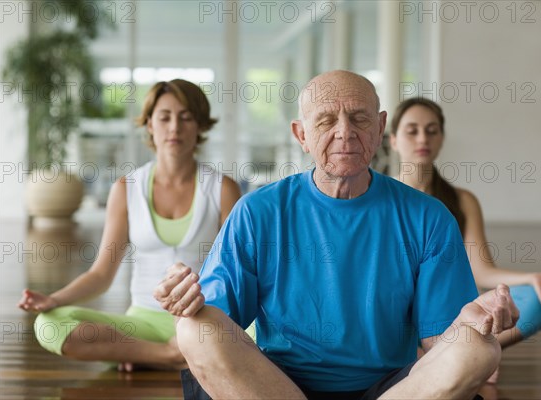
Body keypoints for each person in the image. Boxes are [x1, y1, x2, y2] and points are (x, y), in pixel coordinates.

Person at [154, 70, 519, 399]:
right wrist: (183, 299)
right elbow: (219, 318)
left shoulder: (428, 217)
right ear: (302, 135)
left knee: (480, 348)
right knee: (193, 328)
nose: (345, 131)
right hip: (276, 385)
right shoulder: (258, 211)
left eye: (359, 118)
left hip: (393, 389)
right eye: (326, 120)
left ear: (380, 129)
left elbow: (439, 342)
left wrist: (471, 321)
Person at [18, 79, 241, 371]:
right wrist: (52, 299)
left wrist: (203, 313)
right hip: (143, 324)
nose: (174, 127)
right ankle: (168, 355)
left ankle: (153, 354)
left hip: (204, 321)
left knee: (266, 334)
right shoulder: (127, 188)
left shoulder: (222, 189)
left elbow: (236, 272)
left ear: (200, 125)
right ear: (150, 124)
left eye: (186, 117)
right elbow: (101, 274)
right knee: (50, 325)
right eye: (164, 117)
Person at [389, 97, 541, 381]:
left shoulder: (462, 200)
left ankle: (458, 356)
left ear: (442, 137)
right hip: (400, 316)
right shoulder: (381, 200)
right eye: (412, 130)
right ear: (393, 140)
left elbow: (481, 270)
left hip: (448, 313)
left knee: (535, 302)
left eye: (432, 130)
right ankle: (464, 357)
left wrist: (534, 278)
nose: (423, 137)